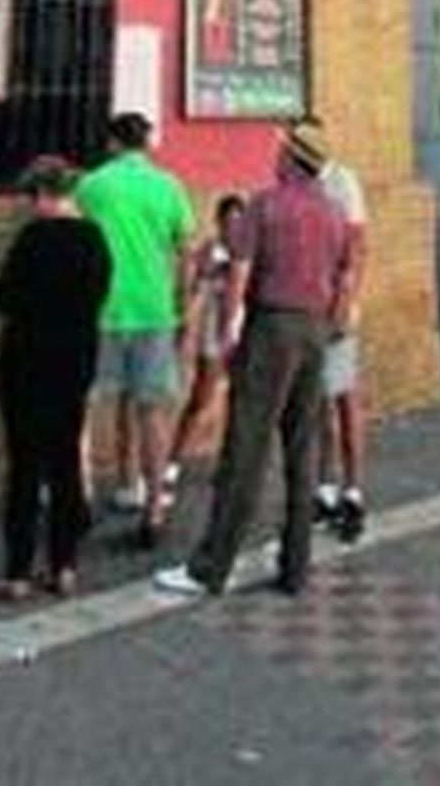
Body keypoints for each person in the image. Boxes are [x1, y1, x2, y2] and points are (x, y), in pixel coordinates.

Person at [155, 122, 352, 600]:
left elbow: (240, 273)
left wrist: (229, 332)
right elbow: (342, 277)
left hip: (272, 328)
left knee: (245, 448)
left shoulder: (265, 204)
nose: (275, 155)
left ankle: (211, 567)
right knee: (303, 451)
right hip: (315, 330)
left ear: (290, 158)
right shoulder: (334, 213)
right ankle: (295, 567)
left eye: (281, 150)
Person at [0, 156, 112, 602]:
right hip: (75, 360)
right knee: (64, 463)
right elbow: (99, 295)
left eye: (31, 197)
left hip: (26, 361)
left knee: (24, 466)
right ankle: (64, 566)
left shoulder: (32, 239)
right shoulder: (95, 239)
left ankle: (18, 571)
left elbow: (2, 298)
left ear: (42, 194)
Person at [76, 111, 197, 547]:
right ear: (147, 144)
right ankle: (153, 508)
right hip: (153, 310)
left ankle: (83, 496)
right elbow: (186, 252)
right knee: (152, 411)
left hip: (100, 308)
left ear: (111, 143)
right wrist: (184, 309)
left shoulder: (91, 185)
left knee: (84, 407)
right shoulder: (169, 187)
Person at [296, 119, 371, 543]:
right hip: (305, 309)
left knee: (344, 400)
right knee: (317, 402)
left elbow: (357, 249)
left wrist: (343, 307)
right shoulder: (297, 185)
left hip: (335, 312)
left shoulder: (342, 182)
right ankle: (324, 490)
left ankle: (354, 491)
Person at [162, 192, 246, 506]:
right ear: (219, 222)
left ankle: (231, 463)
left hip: (243, 333)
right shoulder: (209, 252)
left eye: (240, 223)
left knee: (241, 401)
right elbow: (189, 292)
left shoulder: (249, 251)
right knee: (201, 399)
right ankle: (172, 462)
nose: (234, 230)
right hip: (214, 336)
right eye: (229, 223)